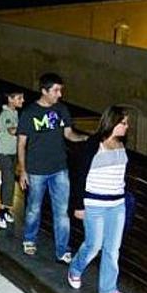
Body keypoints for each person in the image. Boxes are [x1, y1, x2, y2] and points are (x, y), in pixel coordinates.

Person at [17, 73, 88, 263]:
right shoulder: (29, 113)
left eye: (60, 90)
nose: (59, 94)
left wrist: (85, 138)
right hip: (36, 169)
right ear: (44, 91)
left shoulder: (62, 110)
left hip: (59, 168)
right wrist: (22, 170)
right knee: (34, 208)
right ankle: (29, 239)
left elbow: (69, 134)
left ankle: (62, 249)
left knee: (62, 211)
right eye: (56, 90)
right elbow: (21, 143)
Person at [67, 105, 131, 293]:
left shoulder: (121, 144)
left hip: (117, 204)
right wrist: (78, 205)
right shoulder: (93, 144)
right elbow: (79, 176)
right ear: (113, 122)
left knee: (113, 248)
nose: (127, 127)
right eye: (124, 123)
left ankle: (108, 288)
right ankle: (75, 268)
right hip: (94, 203)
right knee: (94, 245)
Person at [0, 90, 24, 229]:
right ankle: (1, 212)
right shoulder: (6, 114)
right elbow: (12, 130)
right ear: (10, 99)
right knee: (8, 181)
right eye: (19, 98)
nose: (22, 101)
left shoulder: (14, 113)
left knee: (9, 181)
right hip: (4, 152)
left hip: (12, 152)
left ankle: (6, 210)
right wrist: (27, 129)